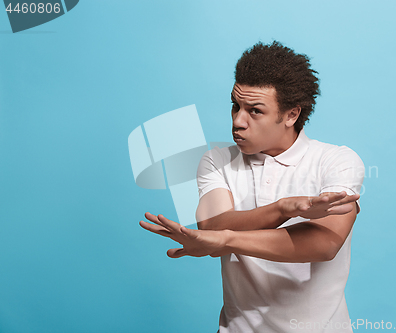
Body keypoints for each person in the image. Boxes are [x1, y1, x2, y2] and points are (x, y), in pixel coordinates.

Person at [140, 41, 365, 333]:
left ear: (291, 115)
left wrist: (226, 240)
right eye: (236, 106)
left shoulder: (337, 161)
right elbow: (212, 224)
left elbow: (325, 243)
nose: (238, 121)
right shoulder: (217, 161)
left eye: (254, 111)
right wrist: (282, 208)